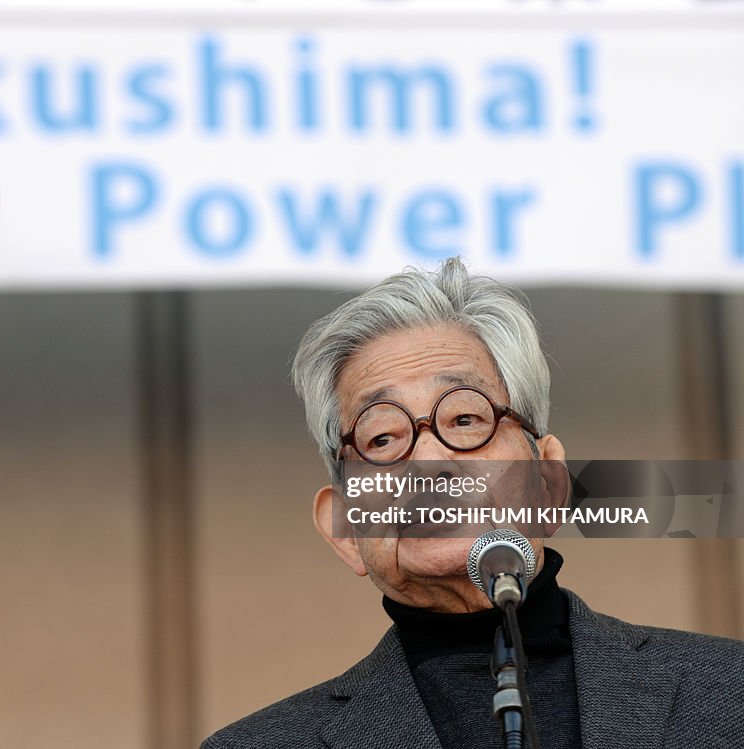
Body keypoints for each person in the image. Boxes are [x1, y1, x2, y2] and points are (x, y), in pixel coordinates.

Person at [202, 258, 744, 749]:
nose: (429, 462)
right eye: (382, 438)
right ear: (346, 532)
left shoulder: (728, 691)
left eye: (466, 419)